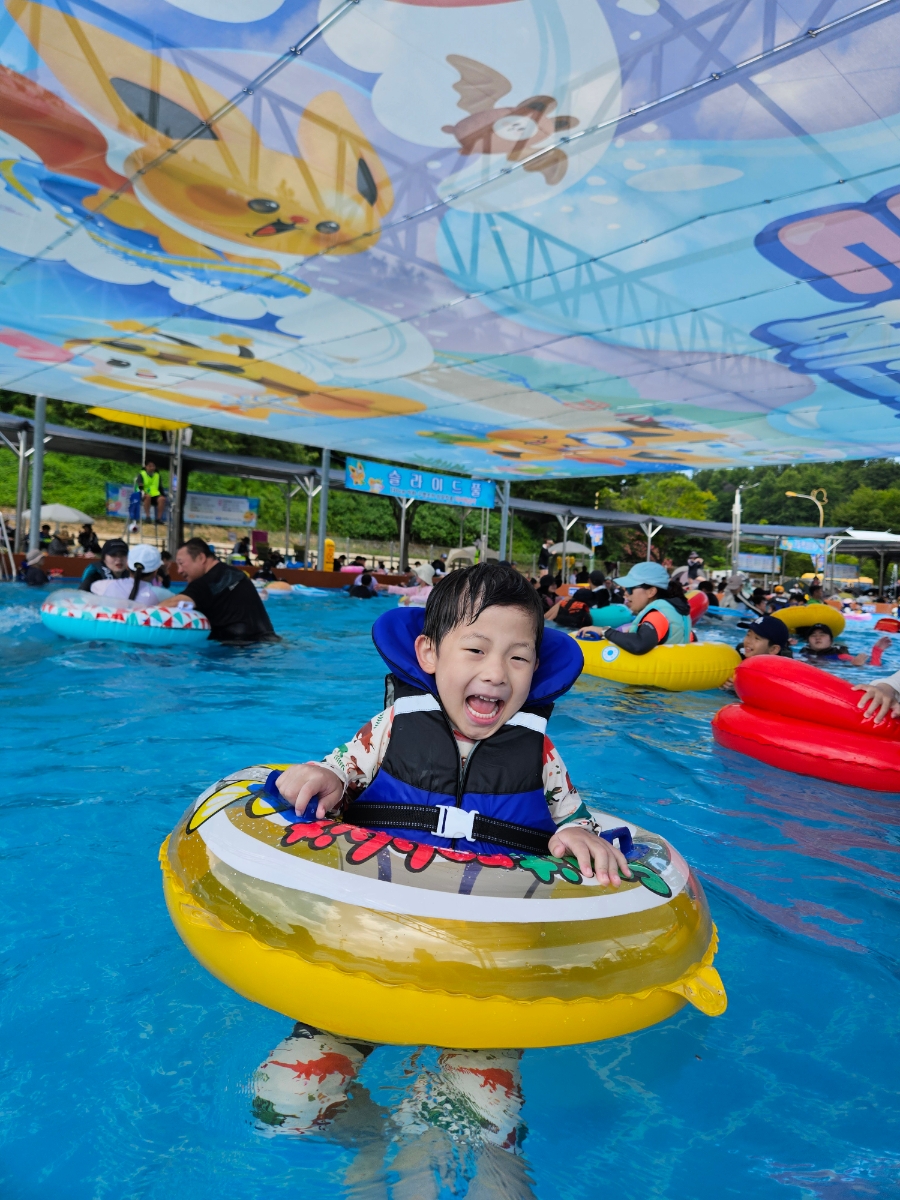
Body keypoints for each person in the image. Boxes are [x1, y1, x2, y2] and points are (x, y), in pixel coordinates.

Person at [275, 561, 632, 883]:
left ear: (536, 667)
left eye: (519, 657)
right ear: (429, 653)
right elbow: (339, 778)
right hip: (382, 888)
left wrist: (578, 834)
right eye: (476, 650)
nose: (496, 673)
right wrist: (325, 779)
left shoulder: (540, 753)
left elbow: (573, 818)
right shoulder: (393, 725)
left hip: (492, 907)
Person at [157, 537, 278, 643]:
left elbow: (172, 604)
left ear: (201, 557)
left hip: (236, 653)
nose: (179, 570)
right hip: (269, 641)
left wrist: (142, 612)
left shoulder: (205, 583)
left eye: (181, 563)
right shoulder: (236, 574)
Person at [603, 562, 693, 656]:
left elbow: (639, 644)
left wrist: (605, 631)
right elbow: (691, 637)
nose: (625, 594)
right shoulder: (675, 610)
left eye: (629, 589)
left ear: (651, 592)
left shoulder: (657, 615)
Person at [89, 544, 162, 606]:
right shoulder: (163, 595)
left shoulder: (101, 586)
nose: (118, 559)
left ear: (127, 565)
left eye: (122, 555)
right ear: (155, 571)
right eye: (113, 555)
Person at [800, 624, 889, 667]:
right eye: (813, 635)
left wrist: (876, 652)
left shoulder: (841, 656)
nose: (817, 638)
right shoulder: (802, 654)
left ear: (831, 641)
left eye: (822, 634)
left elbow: (873, 668)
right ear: (808, 641)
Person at [544, 569, 609, 628]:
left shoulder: (588, 593)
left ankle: (546, 619)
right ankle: (546, 618)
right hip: (597, 613)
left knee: (563, 602)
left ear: (589, 580)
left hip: (585, 615)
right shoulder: (606, 593)